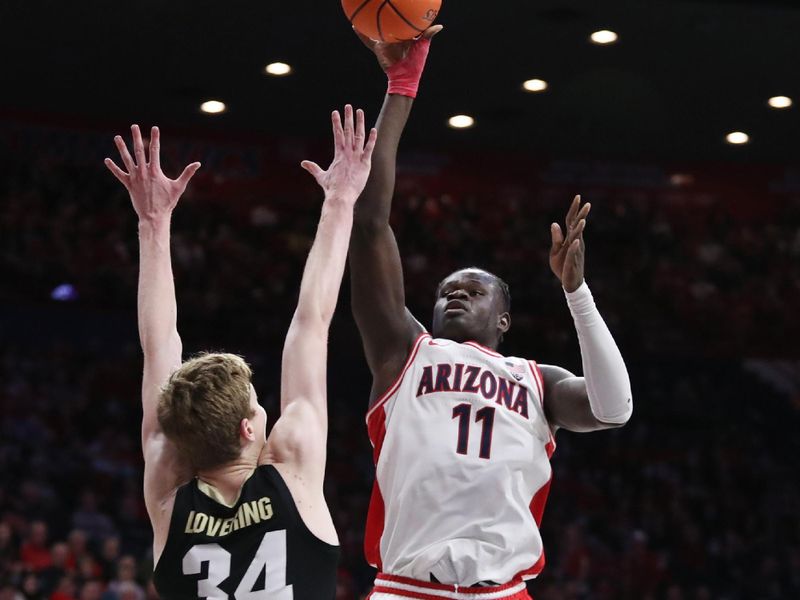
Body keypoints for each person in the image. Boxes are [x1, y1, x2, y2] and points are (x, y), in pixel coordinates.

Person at [348, 29, 633, 599]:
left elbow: (614, 409)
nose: (455, 294)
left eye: (474, 290)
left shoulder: (538, 380)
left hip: (503, 591)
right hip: (407, 588)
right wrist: (401, 86)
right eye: (448, 289)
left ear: (504, 318)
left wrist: (576, 291)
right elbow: (371, 223)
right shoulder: (404, 351)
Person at [104, 106, 377, 599]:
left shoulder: (167, 487)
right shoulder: (292, 465)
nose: (264, 407)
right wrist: (340, 199)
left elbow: (158, 344)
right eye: (256, 400)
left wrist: (151, 222)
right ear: (248, 428)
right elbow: (311, 323)